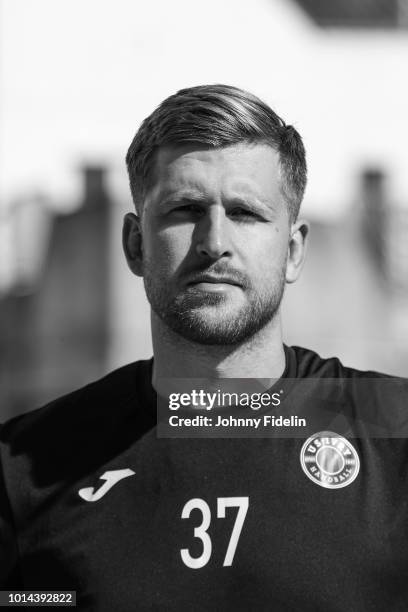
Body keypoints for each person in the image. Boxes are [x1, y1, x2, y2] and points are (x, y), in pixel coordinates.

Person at [1, 84, 407, 611]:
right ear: (135, 244)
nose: (214, 241)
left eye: (245, 212)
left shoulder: (396, 430)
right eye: (186, 209)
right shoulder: (23, 466)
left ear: (292, 250)